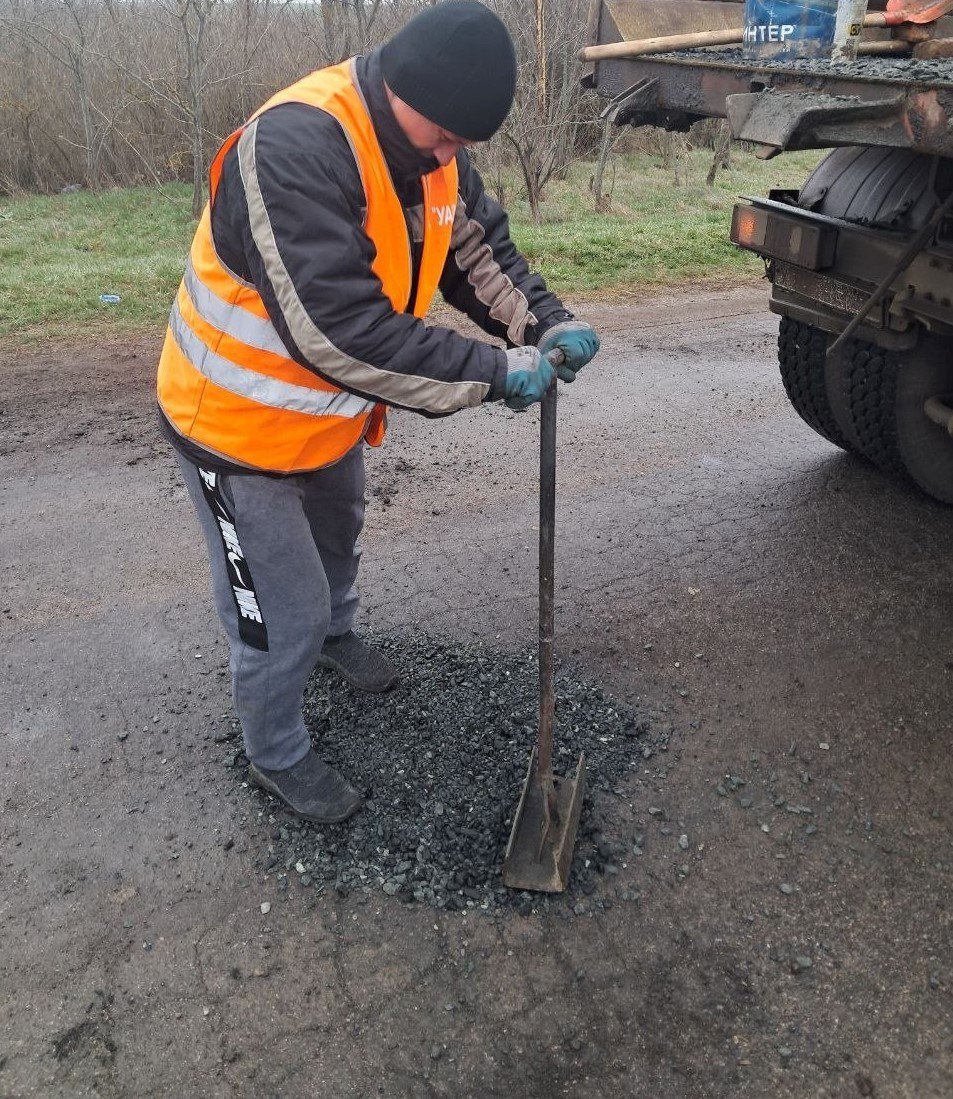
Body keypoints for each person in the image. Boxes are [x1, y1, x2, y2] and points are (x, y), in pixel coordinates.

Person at [157, 0, 601, 825]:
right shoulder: (295, 146)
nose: (451, 156)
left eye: (464, 143)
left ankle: (334, 639)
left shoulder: (432, 152)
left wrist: (543, 323)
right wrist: (494, 373)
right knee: (279, 610)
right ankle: (274, 750)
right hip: (234, 427)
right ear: (400, 86)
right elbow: (338, 331)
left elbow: (476, 250)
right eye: (444, 136)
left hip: (326, 416)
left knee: (338, 538)